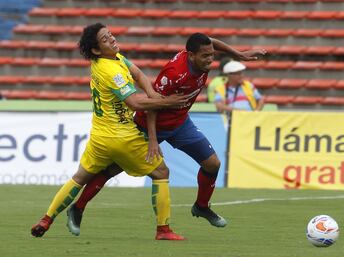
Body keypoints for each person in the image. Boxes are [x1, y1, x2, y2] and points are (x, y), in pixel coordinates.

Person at [65, 33, 267, 235]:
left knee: (212, 164)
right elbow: (152, 104)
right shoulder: (173, 74)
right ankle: (78, 207)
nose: (210, 60)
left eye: (211, 55)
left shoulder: (202, 53)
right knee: (113, 169)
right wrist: (153, 140)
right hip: (150, 125)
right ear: (191, 55)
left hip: (181, 123)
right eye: (205, 56)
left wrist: (239, 54)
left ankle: (201, 207)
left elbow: (211, 42)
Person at [30, 23, 190, 241]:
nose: (112, 39)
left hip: (99, 137)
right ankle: (163, 230)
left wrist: (152, 93)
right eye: (105, 39)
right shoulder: (112, 71)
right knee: (161, 173)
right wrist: (167, 101)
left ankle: (46, 219)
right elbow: (134, 103)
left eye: (110, 35)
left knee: (79, 178)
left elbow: (139, 74)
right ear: (96, 50)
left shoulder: (112, 59)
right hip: (122, 137)